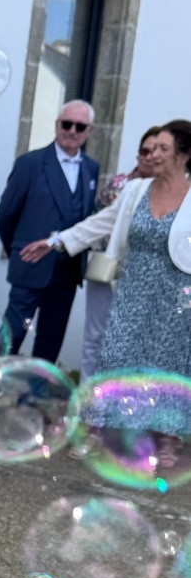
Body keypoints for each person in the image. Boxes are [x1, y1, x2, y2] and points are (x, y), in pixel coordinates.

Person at [20, 123, 191, 392]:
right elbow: (100, 222)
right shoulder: (136, 190)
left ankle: (159, 421)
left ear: (183, 155)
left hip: (172, 303)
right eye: (152, 148)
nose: (153, 154)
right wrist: (56, 241)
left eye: (163, 149)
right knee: (116, 368)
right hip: (130, 298)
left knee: (162, 377)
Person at [0, 100, 100, 363]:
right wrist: (18, 251)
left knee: (50, 343)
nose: (72, 131)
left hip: (68, 272)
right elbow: (5, 215)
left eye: (80, 126)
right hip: (31, 266)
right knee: (11, 336)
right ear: (57, 125)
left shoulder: (91, 169)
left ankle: (36, 390)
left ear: (89, 131)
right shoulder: (30, 163)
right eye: (67, 124)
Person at [81, 125, 160, 380]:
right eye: (145, 151)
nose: (149, 156)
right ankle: (87, 391)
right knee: (94, 335)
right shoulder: (119, 183)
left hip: (137, 275)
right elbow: (98, 218)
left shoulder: (166, 191)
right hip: (105, 266)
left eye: (156, 151)